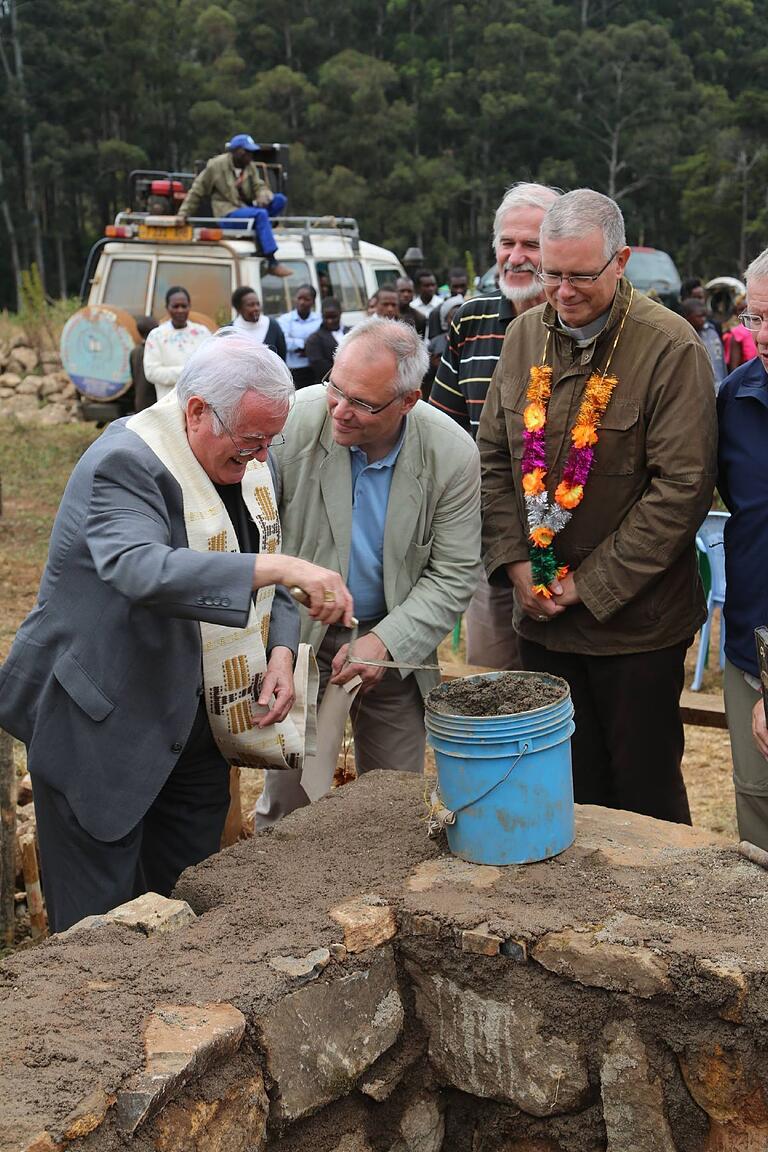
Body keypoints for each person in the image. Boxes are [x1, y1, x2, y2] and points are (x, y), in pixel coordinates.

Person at [0, 333, 353, 932]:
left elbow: (263, 562)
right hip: (103, 729)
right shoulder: (126, 462)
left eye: (272, 441)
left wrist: (281, 651)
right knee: (99, 933)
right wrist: (282, 568)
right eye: (251, 441)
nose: (262, 458)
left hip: (196, 731)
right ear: (195, 412)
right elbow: (140, 567)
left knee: (184, 910)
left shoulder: (242, 460)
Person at [477, 188, 717, 824]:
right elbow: (495, 462)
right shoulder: (524, 336)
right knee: (562, 789)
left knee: (642, 797)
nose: (563, 291)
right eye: (551, 274)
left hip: (636, 627)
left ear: (621, 261)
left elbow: (681, 489)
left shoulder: (670, 347)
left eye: (581, 275)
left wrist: (591, 585)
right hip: (542, 616)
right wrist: (516, 565)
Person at [256, 317, 482, 826]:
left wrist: (386, 643)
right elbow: (257, 537)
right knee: (291, 803)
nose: (341, 410)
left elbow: (454, 573)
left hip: (394, 642)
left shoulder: (451, 455)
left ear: (409, 401)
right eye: (335, 388)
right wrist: (280, 644)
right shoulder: (293, 424)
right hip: (298, 638)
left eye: (363, 403)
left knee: (393, 805)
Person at [430, 182, 560, 668]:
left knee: (562, 697)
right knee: (492, 690)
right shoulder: (472, 319)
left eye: (532, 244)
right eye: (508, 243)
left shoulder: (583, 324)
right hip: (488, 547)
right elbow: (443, 434)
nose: (516, 256)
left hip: (569, 548)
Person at [717, 249, 768, 850]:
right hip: (749, 647)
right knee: (755, 808)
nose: (763, 334)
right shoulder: (734, 399)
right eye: (755, 318)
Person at [178, 133, 290, 277]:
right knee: (261, 215)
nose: (250, 155)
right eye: (246, 152)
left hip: (246, 208)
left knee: (280, 199)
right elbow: (197, 191)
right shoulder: (216, 165)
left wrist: (264, 194)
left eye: (251, 152)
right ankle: (271, 260)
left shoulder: (249, 166)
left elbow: (259, 186)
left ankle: (262, 228)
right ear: (236, 151)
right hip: (228, 213)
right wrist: (183, 214)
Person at [143, 286, 211, 402]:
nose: (180, 310)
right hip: (168, 404)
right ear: (167, 308)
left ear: (189, 307)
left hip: (199, 402)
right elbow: (151, 372)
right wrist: (187, 372)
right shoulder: (156, 336)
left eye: (184, 306)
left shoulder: (202, 333)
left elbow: (211, 365)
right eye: (175, 306)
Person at [278, 284, 322, 389]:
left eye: (306, 299)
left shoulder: (320, 320)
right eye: (299, 298)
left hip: (315, 369)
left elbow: (322, 341)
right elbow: (284, 342)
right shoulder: (285, 320)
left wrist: (306, 348)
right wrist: (305, 345)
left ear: (313, 301)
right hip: (293, 370)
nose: (302, 302)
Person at [681, 297, 727, 392]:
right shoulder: (683, 338)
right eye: (699, 316)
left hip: (720, 386)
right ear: (688, 317)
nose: (703, 319)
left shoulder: (712, 331)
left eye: (704, 316)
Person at [231, 285, 287, 360]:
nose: (256, 308)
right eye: (251, 305)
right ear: (239, 309)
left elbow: (282, 357)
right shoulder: (231, 330)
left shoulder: (272, 325)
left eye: (258, 304)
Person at [305, 297, 348, 383]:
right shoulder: (314, 339)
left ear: (340, 313)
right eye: (326, 317)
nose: (330, 321)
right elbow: (321, 368)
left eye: (334, 317)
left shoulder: (352, 332)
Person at [130, 315, 159, 412]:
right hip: (155, 402)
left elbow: (133, 377)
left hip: (140, 402)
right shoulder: (156, 351)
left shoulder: (135, 352)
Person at [723, 294, 758, 372]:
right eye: (740, 309)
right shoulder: (736, 332)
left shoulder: (761, 327)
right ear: (736, 313)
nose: (744, 312)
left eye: (747, 308)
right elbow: (734, 367)